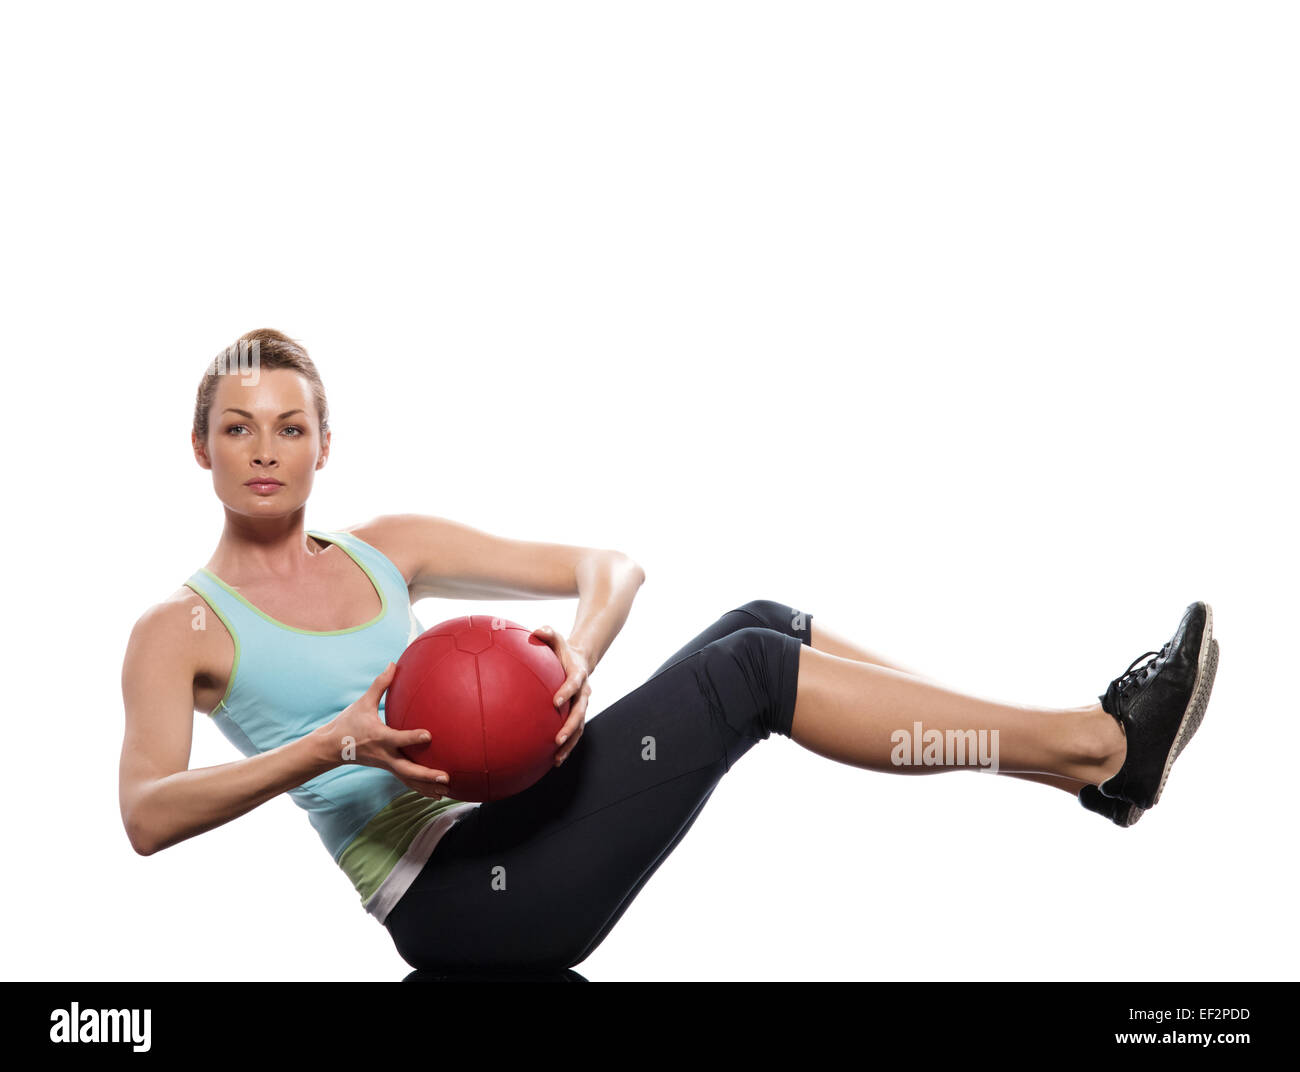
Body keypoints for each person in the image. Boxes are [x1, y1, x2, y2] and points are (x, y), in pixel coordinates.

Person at [119, 328, 1220, 976]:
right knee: (749, 677)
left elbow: (614, 566)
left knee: (761, 620)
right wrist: (329, 745)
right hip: (459, 898)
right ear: (199, 447)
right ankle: (1100, 739)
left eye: (289, 425)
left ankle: (1083, 770)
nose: (266, 451)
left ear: (324, 443)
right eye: (239, 426)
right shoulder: (181, 629)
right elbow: (145, 816)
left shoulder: (386, 551)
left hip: (518, 812)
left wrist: (580, 650)